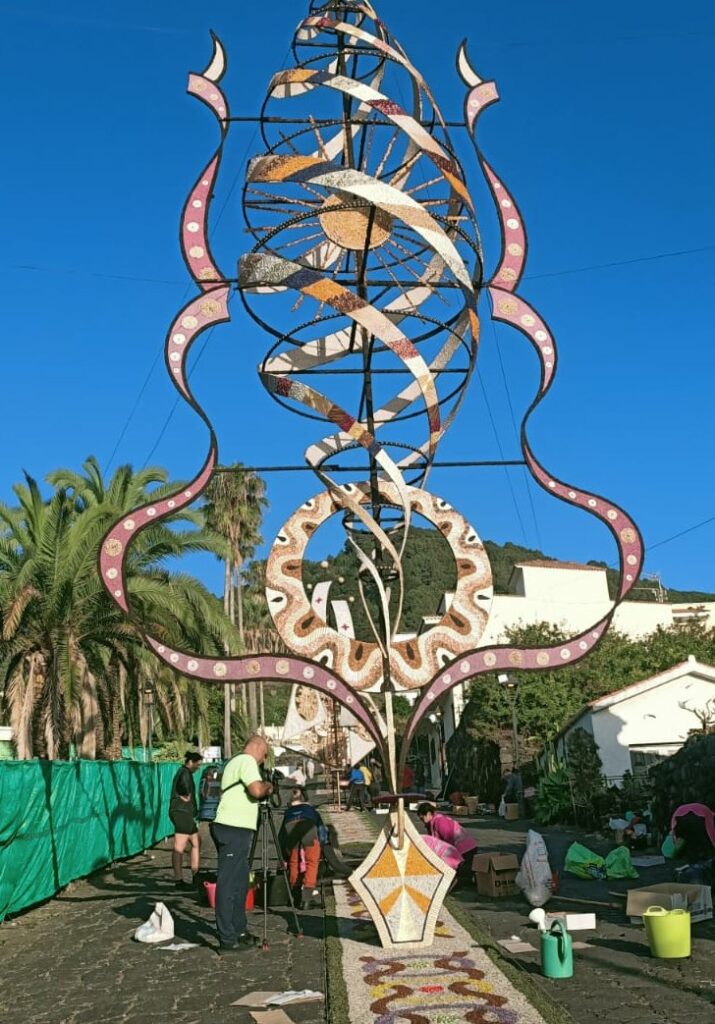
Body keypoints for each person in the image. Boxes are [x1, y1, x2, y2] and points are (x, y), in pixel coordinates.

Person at [210, 735, 273, 954]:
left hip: (237, 828)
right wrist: (269, 787)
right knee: (228, 884)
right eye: (264, 755)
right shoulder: (246, 761)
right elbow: (256, 791)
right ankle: (227, 938)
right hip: (232, 827)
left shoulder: (236, 762)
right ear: (257, 748)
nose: (263, 761)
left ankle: (240, 931)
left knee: (238, 883)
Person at [278, 787, 325, 909]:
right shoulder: (310, 809)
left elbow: (281, 835)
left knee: (293, 861)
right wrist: (323, 843)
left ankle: (295, 894)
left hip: (290, 826)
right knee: (312, 861)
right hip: (307, 826)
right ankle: (307, 898)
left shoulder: (288, 812)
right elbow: (321, 829)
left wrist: (284, 854)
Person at [417, 802, 478, 886]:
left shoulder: (440, 821)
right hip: (463, 847)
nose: (422, 821)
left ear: (428, 814)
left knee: (461, 870)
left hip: (465, 848)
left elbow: (448, 840)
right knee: (462, 870)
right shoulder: (432, 823)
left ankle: (470, 880)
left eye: (422, 818)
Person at [169, 751, 203, 889]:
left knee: (197, 841)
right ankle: (178, 880)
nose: (198, 767)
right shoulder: (185, 773)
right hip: (181, 812)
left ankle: (196, 874)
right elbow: (184, 788)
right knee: (180, 846)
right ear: (190, 762)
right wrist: (186, 796)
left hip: (185, 812)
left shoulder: (184, 772)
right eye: (197, 764)